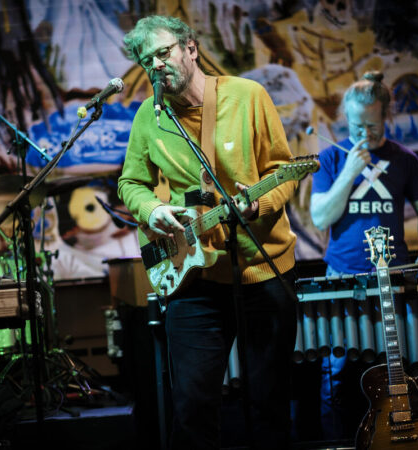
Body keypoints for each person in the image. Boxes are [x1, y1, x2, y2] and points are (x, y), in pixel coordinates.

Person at [118, 16, 299, 450]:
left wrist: (258, 205)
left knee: (269, 405)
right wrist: (153, 209)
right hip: (194, 278)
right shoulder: (149, 116)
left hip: (263, 270)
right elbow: (130, 183)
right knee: (192, 409)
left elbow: (283, 171)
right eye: (147, 60)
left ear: (191, 48)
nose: (156, 65)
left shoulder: (248, 96)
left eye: (163, 52)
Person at [309, 71, 418, 438]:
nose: (363, 132)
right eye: (355, 125)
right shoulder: (331, 157)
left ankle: (401, 438)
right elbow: (320, 217)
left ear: (386, 117)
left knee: (403, 370)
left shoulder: (405, 159)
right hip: (342, 278)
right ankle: (338, 442)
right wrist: (350, 172)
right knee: (336, 375)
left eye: (371, 125)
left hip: (394, 278)